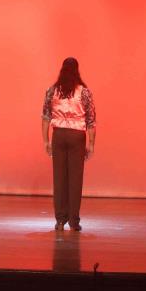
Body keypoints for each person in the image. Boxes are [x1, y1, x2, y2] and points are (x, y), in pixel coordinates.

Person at [41, 57, 96, 231]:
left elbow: (45, 117)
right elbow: (91, 120)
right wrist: (91, 144)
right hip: (77, 136)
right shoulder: (84, 92)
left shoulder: (52, 90)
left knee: (59, 178)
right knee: (75, 178)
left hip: (59, 134)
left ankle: (59, 220)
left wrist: (46, 140)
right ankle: (74, 220)